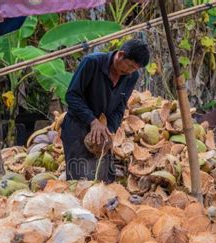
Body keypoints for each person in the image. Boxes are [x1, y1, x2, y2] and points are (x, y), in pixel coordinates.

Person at [61, 39, 150, 183]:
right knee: (80, 181)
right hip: (77, 128)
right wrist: (93, 121)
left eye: (135, 69)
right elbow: (72, 96)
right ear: (120, 55)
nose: (130, 71)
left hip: (103, 132)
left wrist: (109, 129)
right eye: (130, 66)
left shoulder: (131, 76)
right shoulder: (92, 63)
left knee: (104, 181)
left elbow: (120, 106)